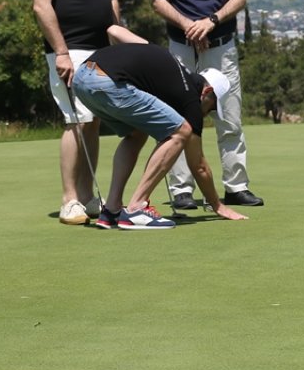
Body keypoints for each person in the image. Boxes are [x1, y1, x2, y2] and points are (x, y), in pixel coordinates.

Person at [71, 26, 250, 230]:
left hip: (82, 79)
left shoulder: (162, 60)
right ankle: (137, 207)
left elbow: (113, 30)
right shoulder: (191, 99)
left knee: (135, 134)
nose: (207, 114)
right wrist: (218, 206)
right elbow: (198, 165)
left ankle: (111, 210)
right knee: (181, 130)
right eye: (211, 107)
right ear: (207, 92)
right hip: (108, 83)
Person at [149, 0, 261, 209]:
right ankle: (182, 190)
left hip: (220, 45)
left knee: (230, 116)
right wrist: (189, 26)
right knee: (178, 117)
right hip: (181, 47)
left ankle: (236, 186)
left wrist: (210, 23)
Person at [30, 0, 118, 225]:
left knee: (93, 119)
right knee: (75, 119)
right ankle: (69, 199)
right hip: (69, 49)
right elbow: (42, 6)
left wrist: (117, 34)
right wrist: (61, 51)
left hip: (100, 46)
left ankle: (86, 196)